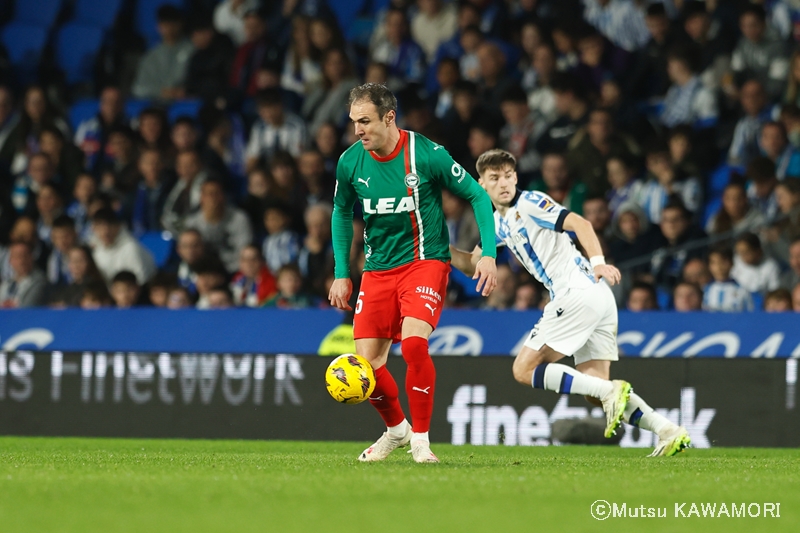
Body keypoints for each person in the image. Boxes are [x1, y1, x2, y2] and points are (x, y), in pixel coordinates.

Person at [450, 148, 690, 457]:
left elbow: (581, 224)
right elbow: (473, 264)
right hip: (596, 298)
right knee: (594, 389)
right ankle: (667, 430)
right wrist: (440, 246)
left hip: (576, 292)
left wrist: (599, 262)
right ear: (482, 184)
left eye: (508, 175)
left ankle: (612, 391)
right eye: (494, 178)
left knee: (524, 369)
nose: (503, 183)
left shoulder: (530, 203)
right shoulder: (496, 222)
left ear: (516, 177)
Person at [328, 83, 498, 463]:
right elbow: (341, 211)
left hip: (425, 261)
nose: (357, 130)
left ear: (389, 117)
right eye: (354, 121)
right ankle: (396, 430)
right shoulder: (350, 161)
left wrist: (487, 254)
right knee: (367, 366)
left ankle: (421, 439)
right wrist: (342, 272)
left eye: (365, 121)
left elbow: (477, 195)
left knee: (414, 345)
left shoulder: (426, 154)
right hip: (377, 269)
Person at [91, 208, 156, 284]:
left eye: (110, 225)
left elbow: (141, 280)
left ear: (118, 226)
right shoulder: (96, 252)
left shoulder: (131, 248)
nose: (105, 232)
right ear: (94, 228)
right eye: (100, 226)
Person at [703, 246, 754, 312]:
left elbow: (749, 313)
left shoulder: (741, 291)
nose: (719, 267)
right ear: (709, 266)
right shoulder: (704, 291)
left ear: (731, 263)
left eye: (723, 262)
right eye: (714, 263)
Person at [0, 241, 47, 308]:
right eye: (17, 256)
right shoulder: (6, 284)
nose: (21, 261)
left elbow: (27, 307)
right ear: (10, 260)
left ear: (32, 258)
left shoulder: (40, 282)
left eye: (25, 256)